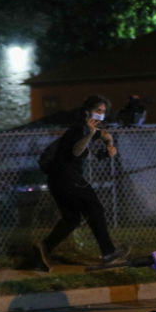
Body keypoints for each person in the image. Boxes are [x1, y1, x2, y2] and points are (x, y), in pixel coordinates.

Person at [35, 95, 130, 270]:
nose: (101, 114)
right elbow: (77, 151)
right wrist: (91, 134)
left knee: (72, 219)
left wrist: (108, 144)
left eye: (103, 111)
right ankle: (109, 252)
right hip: (68, 178)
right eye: (98, 110)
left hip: (58, 180)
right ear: (88, 111)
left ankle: (43, 249)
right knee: (95, 208)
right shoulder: (80, 129)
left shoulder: (88, 129)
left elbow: (96, 150)